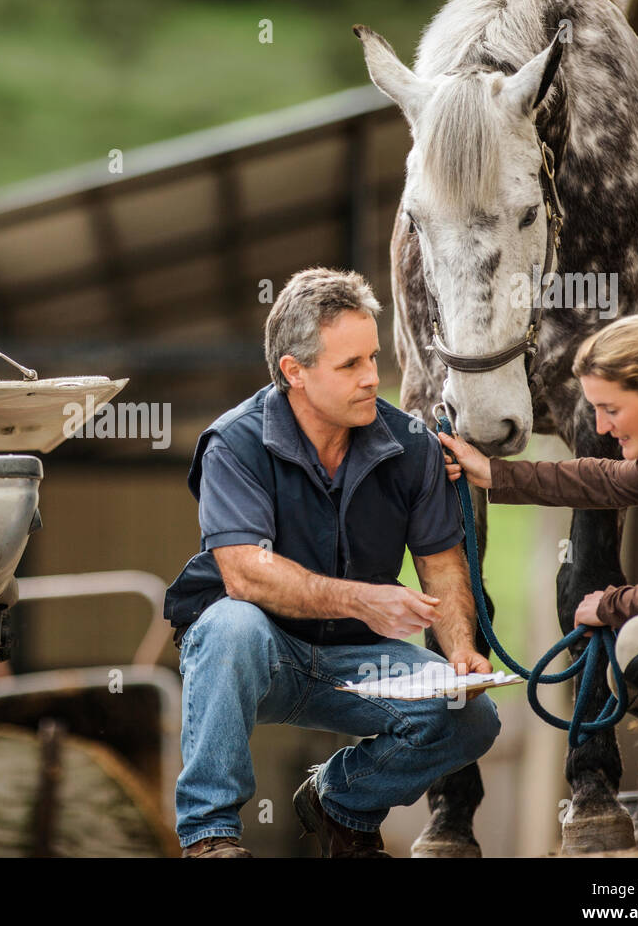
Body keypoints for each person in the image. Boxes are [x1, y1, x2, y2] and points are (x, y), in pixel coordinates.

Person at [163, 267, 501, 858]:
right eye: (350, 365)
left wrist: (459, 651)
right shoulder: (234, 442)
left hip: (356, 659)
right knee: (230, 624)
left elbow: (442, 565)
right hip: (259, 655)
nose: (372, 377)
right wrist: (364, 600)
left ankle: (340, 801)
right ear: (294, 371)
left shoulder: (412, 445)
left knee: (474, 719)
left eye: (373, 357)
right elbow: (244, 573)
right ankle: (210, 834)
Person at [438, 314, 638, 846]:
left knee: (636, 643)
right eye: (594, 409)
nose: (603, 426)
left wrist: (608, 604)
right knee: (626, 663)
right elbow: (602, 478)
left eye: (611, 409)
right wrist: (493, 473)